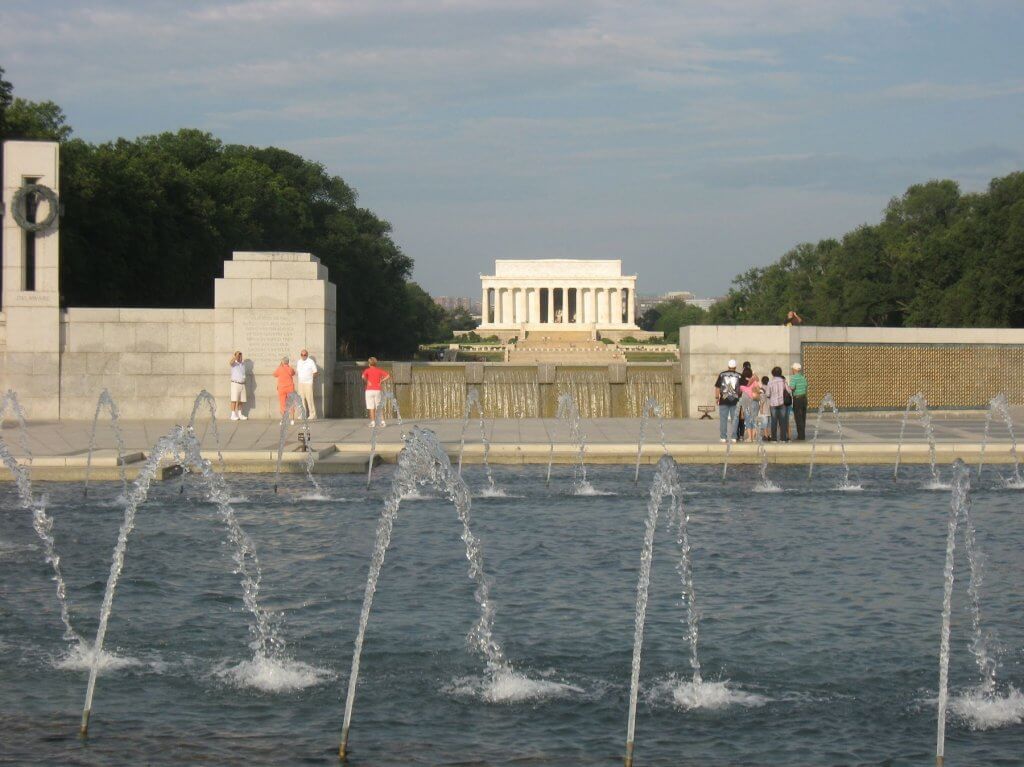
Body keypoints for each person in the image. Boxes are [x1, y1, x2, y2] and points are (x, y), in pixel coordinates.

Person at [714, 359, 743, 443]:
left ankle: (723, 437)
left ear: (728, 366)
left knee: (723, 419)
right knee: (735, 419)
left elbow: (717, 387)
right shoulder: (739, 376)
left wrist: (716, 397)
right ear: (735, 367)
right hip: (735, 400)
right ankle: (734, 437)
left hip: (723, 400)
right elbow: (741, 389)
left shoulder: (722, 374)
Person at [765, 366, 792, 442]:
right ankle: (783, 439)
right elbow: (789, 391)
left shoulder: (770, 382)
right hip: (782, 403)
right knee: (782, 421)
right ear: (780, 373)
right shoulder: (783, 381)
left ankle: (774, 439)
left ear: (773, 373)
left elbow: (767, 394)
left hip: (773, 404)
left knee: (773, 422)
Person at [362, 357, 391, 427]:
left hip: (369, 390)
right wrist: (381, 381)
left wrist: (367, 382)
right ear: (376, 364)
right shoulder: (379, 370)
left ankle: (373, 422)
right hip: (377, 390)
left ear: (369, 364)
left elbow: (363, 377)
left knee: (371, 407)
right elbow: (388, 376)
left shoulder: (367, 370)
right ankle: (383, 422)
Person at [295, 349, 318, 420]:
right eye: (302, 355)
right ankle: (303, 414)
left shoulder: (311, 362)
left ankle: (312, 414)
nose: (303, 356)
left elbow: (315, 372)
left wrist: (310, 378)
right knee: (301, 400)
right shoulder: (299, 362)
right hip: (300, 383)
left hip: (308, 383)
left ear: (307, 355)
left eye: (305, 355)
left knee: (309, 399)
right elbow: (297, 371)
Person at [273, 355, 296, 424]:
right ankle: (292, 420)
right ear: (288, 362)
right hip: (290, 388)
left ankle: (284, 420)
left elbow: (274, 374)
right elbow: (293, 373)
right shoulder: (290, 369)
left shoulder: (279, 369)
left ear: (282, 362)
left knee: (282, 404)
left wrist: (280, 366)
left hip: (282, 388)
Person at [790, 362, 808, 440]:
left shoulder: (794, 378)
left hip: (797, 399)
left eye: (792, 369)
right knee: (803, 417)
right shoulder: (803, 377)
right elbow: (805, 386)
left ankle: (801, 436)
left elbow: (792, 387)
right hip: (804, 398)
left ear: (794, 369)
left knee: (798, 417)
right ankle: (802, 434)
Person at [228, 351, 248, 421]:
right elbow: (230, 362)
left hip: (242, 384)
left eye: (240, 355)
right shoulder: (234, 364)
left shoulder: (242, 364)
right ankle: (233, 414)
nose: (240, 357)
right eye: (238, 356)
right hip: (235, 383)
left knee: (241, 400)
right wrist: (235, 357)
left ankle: (240, 414)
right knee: (234, 399)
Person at [758, 375, 772, 441]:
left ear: (762, 381)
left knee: (764, 422)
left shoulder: (762, 389)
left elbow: (762, 398)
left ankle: (765, 435)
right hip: (770, 406)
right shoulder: (770, 388)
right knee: (769, 422)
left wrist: (761, 407)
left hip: (764, 407)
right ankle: (769, 435)